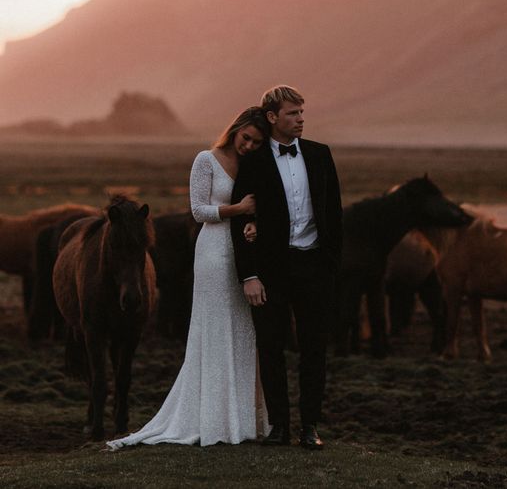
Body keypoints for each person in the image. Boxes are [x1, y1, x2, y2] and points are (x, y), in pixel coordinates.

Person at [107, 107, 271, 449]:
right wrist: (239, 211)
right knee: (213, 327)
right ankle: (210, 417)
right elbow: (198, 210)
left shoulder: (251, 164)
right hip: (213, 251)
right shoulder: (206, 160)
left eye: (256, 143)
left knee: (242, 329)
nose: (249, 146)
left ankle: (241, 418)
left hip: (241, 249)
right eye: (246, 138)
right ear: (236, 128)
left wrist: (253, 224)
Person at [231, 85, 343, 450]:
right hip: (271, 271)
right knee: (270, 347)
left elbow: (334, 216)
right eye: (293, 113)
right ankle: (279, 426)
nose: (300, 119)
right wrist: (249, 275)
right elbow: (240, 221)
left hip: (314, 267)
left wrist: (330, 266)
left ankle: (309, 427)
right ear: (272, 117)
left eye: (301, 113)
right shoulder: (255, 162)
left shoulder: (320, 155)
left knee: (314, 349)